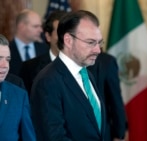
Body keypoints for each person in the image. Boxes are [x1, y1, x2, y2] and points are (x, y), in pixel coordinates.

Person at [30, 10, 106, 141]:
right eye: (90, 42)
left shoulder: (87, 74)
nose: (98, 50)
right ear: (68, 40)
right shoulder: (48, 81)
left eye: (99, 43)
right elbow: (54, 137)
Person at [19, 11, 66, 94]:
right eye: (60, 33)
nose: (65, 38)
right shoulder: (30, 68)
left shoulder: (84, 66)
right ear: (48, 36)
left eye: (69, 33)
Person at [0, 34, 36, 141]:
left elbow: (28, 137)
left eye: (8, 59)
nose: (5, 65)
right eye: (0, 58)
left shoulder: (19, 95)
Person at [88, 52, 127, 141]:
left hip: (101, 133)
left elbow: (115, 102)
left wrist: (119, 134)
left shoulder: (105, 62)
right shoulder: (57, 65)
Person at [9, 9, 49, 75]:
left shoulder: (45, 49)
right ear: (21, 27)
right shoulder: (6, 49)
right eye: (35, 26)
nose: (41, 30)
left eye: (40, 26)